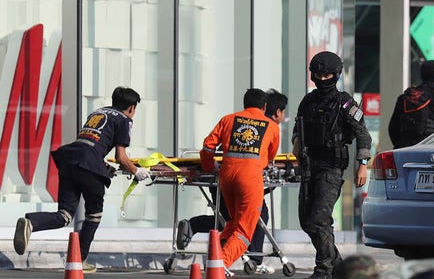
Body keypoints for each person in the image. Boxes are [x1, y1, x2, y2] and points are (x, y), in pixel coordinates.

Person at [12, 86, 150, 274]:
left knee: (64, 215)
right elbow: (121, 156)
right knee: (94, 214)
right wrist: (137, 171)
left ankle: (31, 223)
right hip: (88, 163)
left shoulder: (98, 112)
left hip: (70, 158)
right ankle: (80, 260)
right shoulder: (125, 119)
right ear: (132, 108)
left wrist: (103, 166)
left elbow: (91, 144)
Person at [177, 88, 288, 275]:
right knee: (245, 231)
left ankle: (216, 257)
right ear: (265, 106)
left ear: (244, 103)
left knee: (232, 222)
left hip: (227, 177)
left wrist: (209, 167)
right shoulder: (271, 126)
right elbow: (269, 159)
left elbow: (207, 146)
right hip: (250, 179)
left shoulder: (228, 119)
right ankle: (220, 265)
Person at [292, 51, 372, 279]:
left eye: (326, 74)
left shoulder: (345, 102)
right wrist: (296, 142)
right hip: (309, 164)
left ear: (335, 75)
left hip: (332, 166)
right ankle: (338, 265)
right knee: (307, 221)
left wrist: (363, 164)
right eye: (318, 74)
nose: (322, 78)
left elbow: (363, 135)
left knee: (320, 218)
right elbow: (299, 127)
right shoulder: (308, 101)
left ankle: (324, 269)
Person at [388, 59, 434, 149]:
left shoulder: (405, 97)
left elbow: (392, 128)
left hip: (405, 150)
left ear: (422, 74)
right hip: (431, 149)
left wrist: (401, 145)